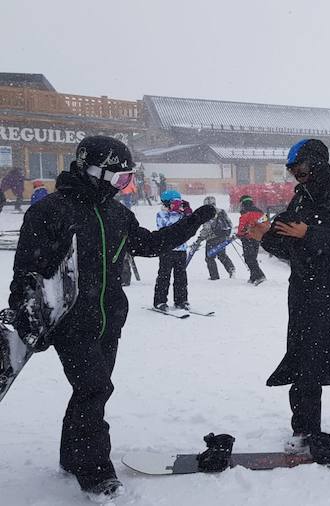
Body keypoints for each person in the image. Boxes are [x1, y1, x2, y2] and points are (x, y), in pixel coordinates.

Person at [8, 136, 215, 501]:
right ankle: (95, 473)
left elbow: (149, 245)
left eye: (127, 180)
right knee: (94, 388)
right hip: (71, 322)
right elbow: (26, 270)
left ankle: (73, 458)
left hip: (109, 321)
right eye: (120, 178)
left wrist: (193, 221)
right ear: (93, 171)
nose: (123, 186)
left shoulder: (116, 213)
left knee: (90, 392)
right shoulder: (51, 211)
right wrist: (28, 317)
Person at [249, 138, 330, 454]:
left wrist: (310, 233)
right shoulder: (299, 203)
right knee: (304, 360)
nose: (297, 175)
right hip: (305, 294)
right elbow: (289, 249)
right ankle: (305, 428)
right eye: (292, 170)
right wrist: (265, 238)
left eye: (302, 168)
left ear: (318, 163)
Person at [153, 189, 194, 310]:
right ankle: (160, 301)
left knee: (181, 277)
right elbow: (165, 229)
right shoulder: (161, 215)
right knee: (164, 276)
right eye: (173, 202)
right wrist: (173, 212)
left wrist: (188, 215)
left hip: (181, 250)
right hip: (166, 250)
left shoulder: (183, 215)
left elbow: (189, 228)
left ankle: (181, 300)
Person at [199, 195, 236, 280]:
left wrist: (201, 237)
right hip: (223, 237)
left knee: (209, 257)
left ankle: (214, 276)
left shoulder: (208, 212)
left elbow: (207, 228)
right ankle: (231, 269)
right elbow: (229, 223)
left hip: (212, 238)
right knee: (222, 255)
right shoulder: (221, 211)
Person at [236, 195, 267, 285]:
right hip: (257, 238)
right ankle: (253, 276)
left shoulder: (245, 212)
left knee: (249, 258)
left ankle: (260, 276)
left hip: (247, 238)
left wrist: (239, 234)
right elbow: (265, 222)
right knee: (253, 257)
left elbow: (242, 227)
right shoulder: (260, 212)